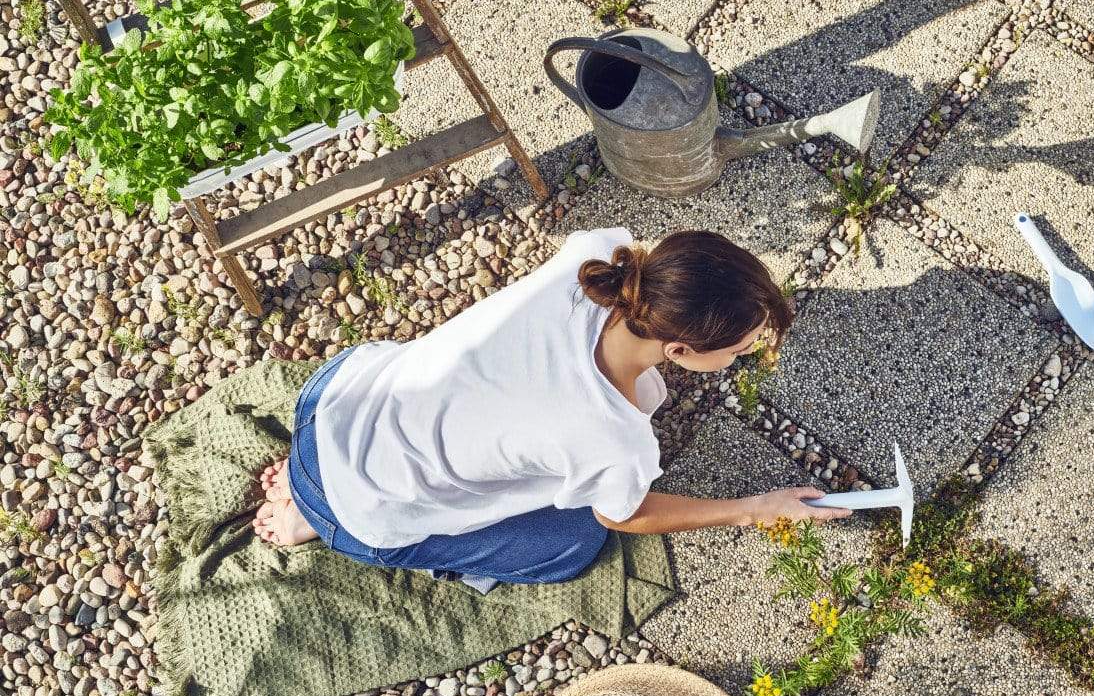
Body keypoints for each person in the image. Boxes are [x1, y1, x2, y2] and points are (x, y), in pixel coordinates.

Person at [251, 227, 850, 586]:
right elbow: (624, 515)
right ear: (679, 350)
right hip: (359, 511)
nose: (747, 355)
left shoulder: (602, 256)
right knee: (572, 543)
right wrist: (752, 509)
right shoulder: (614, 441)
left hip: (335, 399)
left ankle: (312, 478)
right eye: (740, 350)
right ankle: (316, 516)